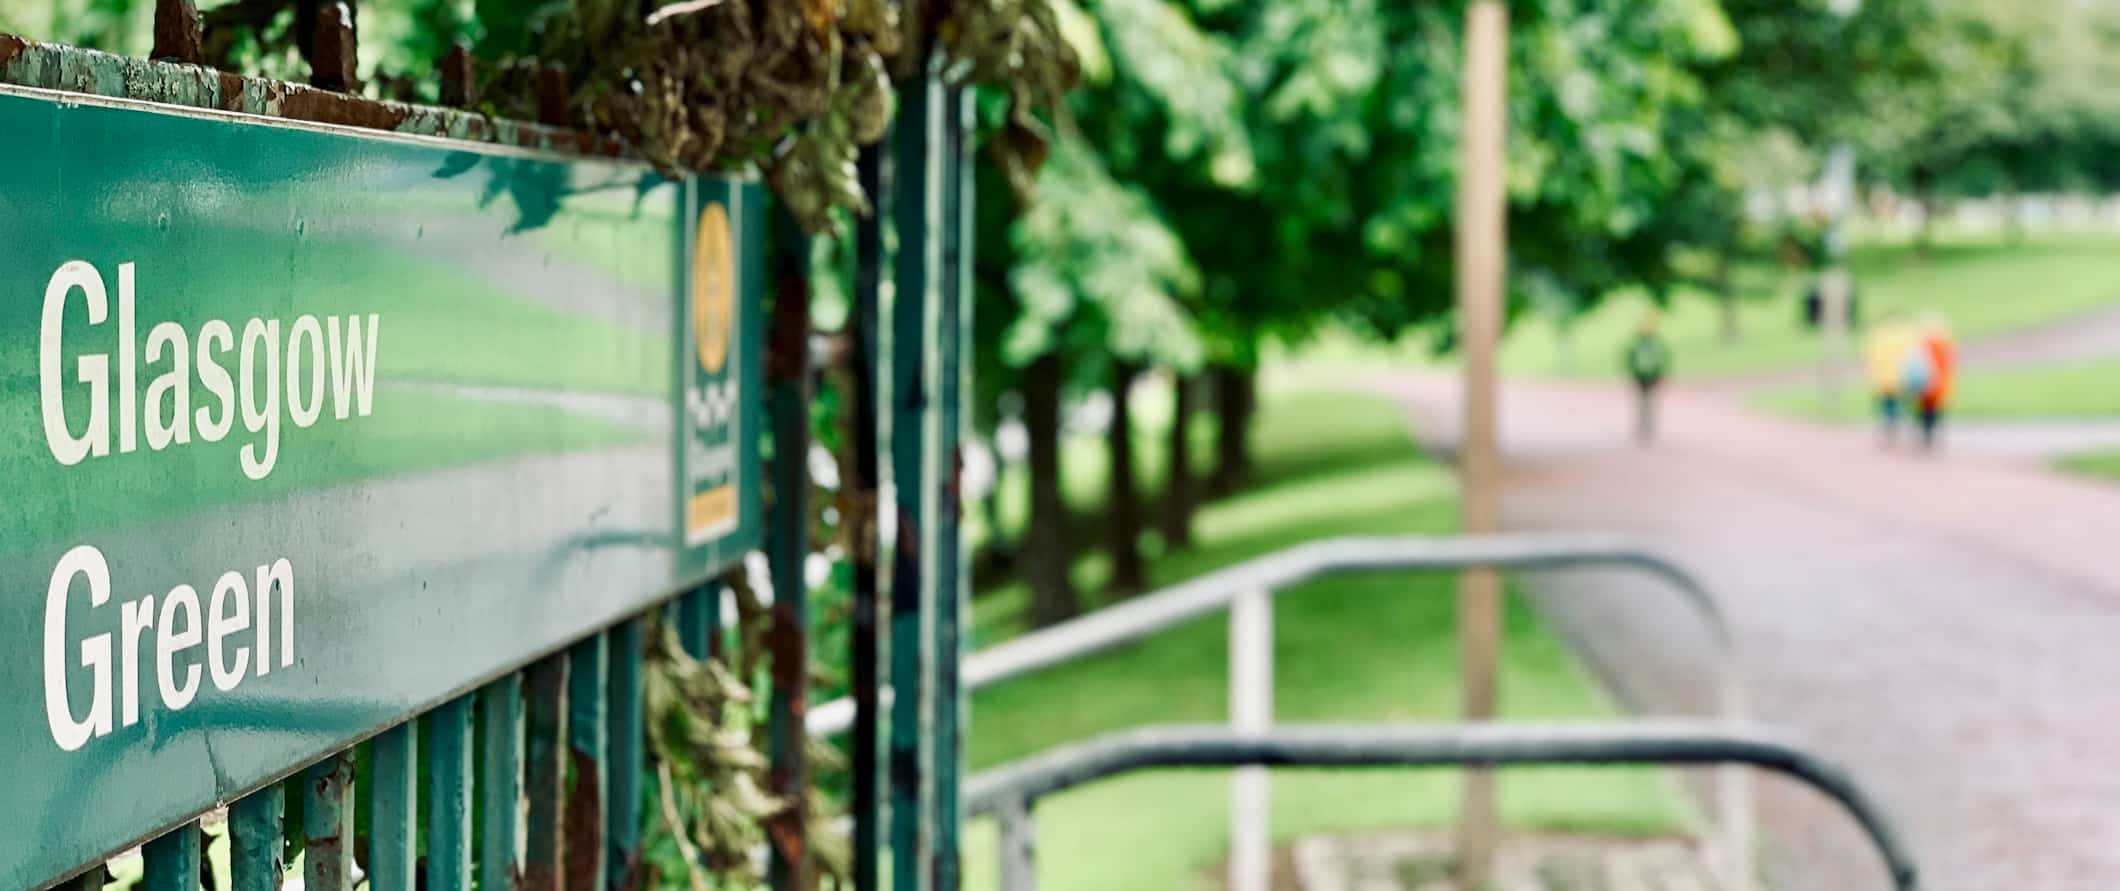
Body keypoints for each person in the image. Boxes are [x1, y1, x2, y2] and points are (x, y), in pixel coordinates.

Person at [1862, 311, 1918, 446]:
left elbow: (1869, 357)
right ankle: (1899, 431)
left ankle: (1890, 432)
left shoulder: (1878, 336)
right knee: (1900, 406)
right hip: (1901, 378)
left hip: (1885, 379)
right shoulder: (1907, 336)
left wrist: (1871, 373)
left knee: (1889, 407)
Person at [1624, 311, 1671, 444]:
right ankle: (1645, 426)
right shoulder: (1652, 344)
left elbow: (1631, 360)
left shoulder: (1641, 344)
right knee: (1646, 402)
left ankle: (1645, 426)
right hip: (1646, 376)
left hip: (1646, 376)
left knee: (1645, 402)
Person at [1912, 314, 1956, 449]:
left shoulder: (1923, 344)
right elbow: (1951, 362)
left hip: (1926, 383)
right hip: (1938, 383)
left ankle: (1927, 435)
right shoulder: (1944, 343)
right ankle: (1933, 434)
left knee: (1926, 411)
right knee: (1936, 410)